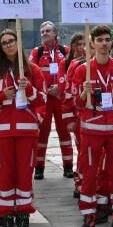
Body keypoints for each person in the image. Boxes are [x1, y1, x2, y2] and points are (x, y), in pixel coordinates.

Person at [0, 29, 45, 227]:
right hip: (1, 132)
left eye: (11, 41)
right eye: (5, 42)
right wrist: (0, 96)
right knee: (4, 174)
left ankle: (23, 215)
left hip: (26, 131)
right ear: (0, 47)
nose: (8, 45)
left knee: (24, 174)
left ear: (18, 43)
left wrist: (30, 91)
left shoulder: (32, 70)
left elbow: (43, 99)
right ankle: (6, 215)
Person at [71, 26, 113, 227]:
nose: (105, 44)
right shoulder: (82, 70)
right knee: (90, 174)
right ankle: (89, 215)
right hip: (91, 132)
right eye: (100, 40)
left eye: (108, 40)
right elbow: (75, 104)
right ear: (92, 44)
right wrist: (83, 93)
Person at [30, 21, 74, 180]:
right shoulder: (37, 52)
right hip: (45, 99)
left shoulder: (65, 51)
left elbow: (71, 74)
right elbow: (31, 73)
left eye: (47, 31)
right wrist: (44, 90)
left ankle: (68, 166)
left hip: (60, 98)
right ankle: (39, 167)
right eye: (42, 31)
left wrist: (61, 89)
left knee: (64, 132)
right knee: (42, 132)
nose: (44, 34)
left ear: (55, 34)